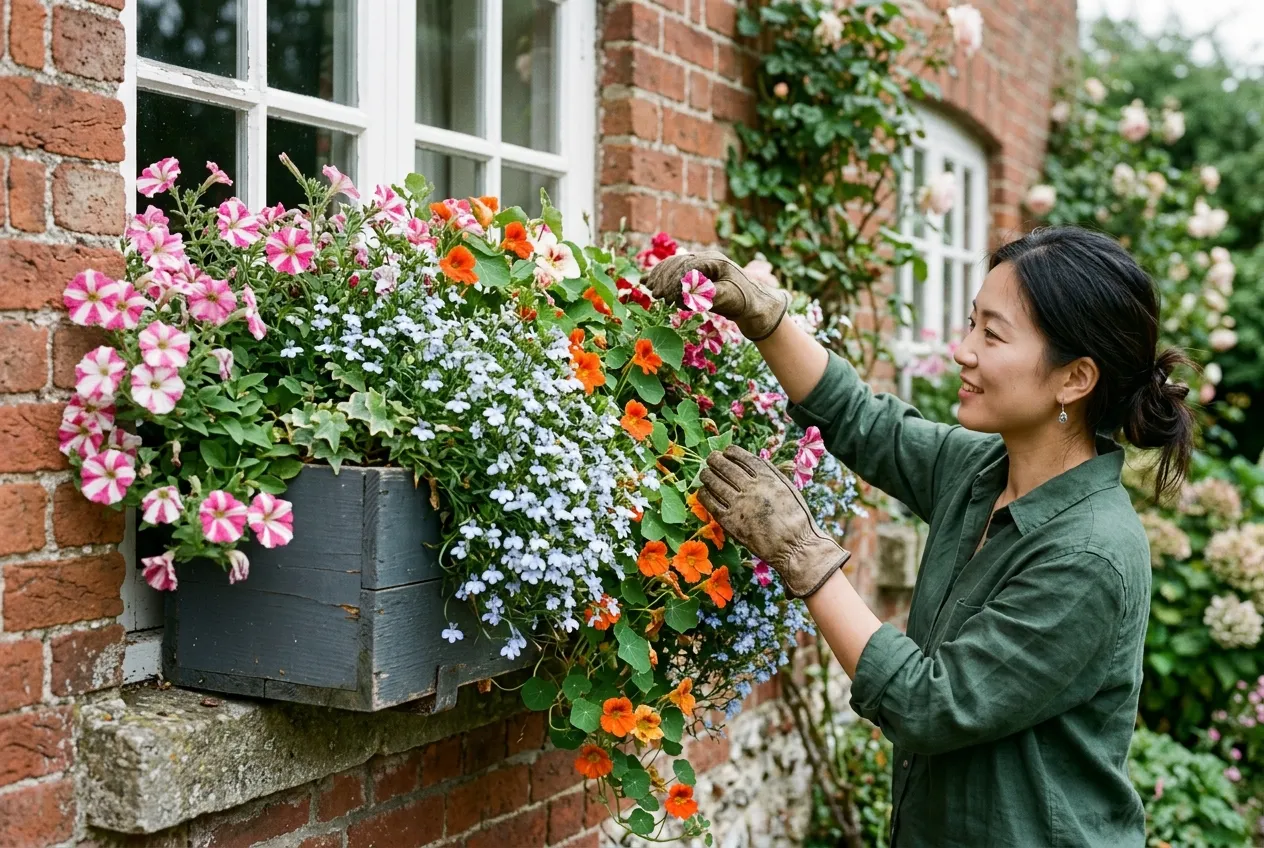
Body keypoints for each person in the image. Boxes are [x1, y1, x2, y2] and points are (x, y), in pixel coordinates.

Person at [643, 226, 1197, 848]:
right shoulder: (986, 471)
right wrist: (762, 315)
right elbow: (859, 419)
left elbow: (928, 704)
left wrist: (802, 553)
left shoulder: (1091, 555)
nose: (963, 350)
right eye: (971, 324)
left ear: (1075, 379)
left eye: (992, 334)